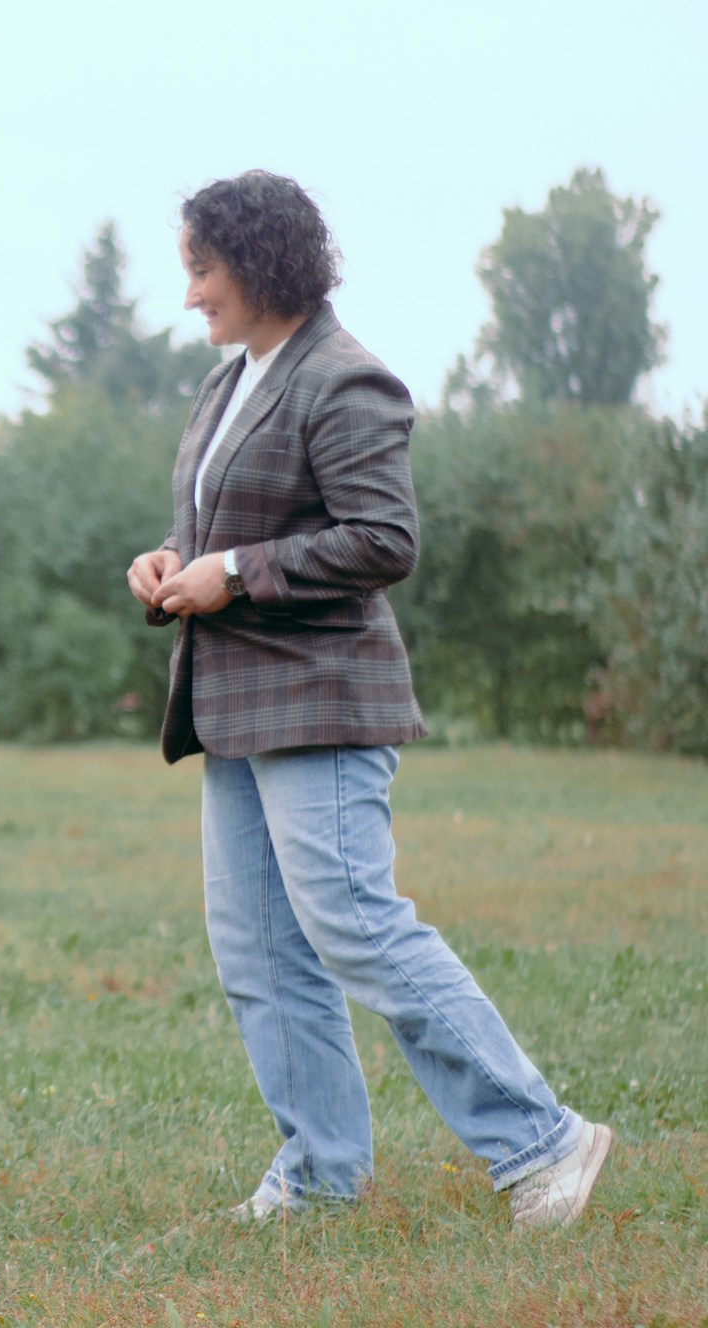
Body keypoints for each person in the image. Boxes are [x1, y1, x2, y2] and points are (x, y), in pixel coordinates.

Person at [125, 170, 611, 1229]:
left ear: (256, 263)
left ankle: (544, 1138)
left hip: (321, 701)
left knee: (353, 929)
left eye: (201, 272)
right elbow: (226, 526)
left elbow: (381, 539)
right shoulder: (230, 382)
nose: (189, 296)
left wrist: (238, 570)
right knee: (256, 948)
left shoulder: (346, 380)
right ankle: (318, 1176)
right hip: (235, 707)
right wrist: (173, 560)